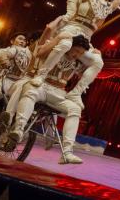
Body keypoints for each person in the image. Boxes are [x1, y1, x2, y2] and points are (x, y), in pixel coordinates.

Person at [6, 35, 103, 164]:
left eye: (81, 53)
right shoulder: (55, 52)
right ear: (70, 46)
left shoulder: (78, 63)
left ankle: (67, 153)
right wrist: (57, 39)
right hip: (41, 86)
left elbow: (94, 68)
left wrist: (98, 55)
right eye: (76, 50)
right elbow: (39, 52)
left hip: (59, 93)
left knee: (75, 109)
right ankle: (18, 129)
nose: (77, 55)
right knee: (30, 91)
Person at [30, 0, 120, 87]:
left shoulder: (108, 7)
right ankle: (41, 75)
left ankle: (77, 92)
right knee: (65, 44)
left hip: (86, 38)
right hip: (72, 29)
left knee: (98, 62)